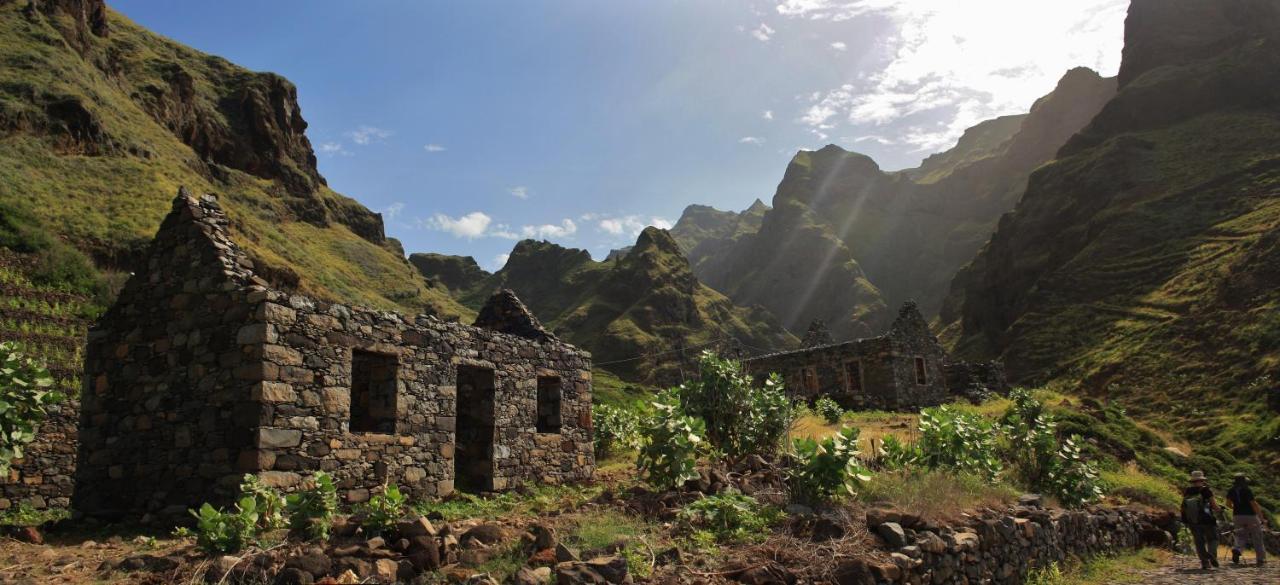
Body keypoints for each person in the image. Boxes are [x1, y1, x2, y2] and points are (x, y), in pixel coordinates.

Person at [1181, 470, 1221, 569]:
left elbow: (1183, 507)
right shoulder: (1206, 490)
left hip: (1193, 521)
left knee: (1199, 542)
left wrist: (1185, 520)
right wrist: (1219, 510)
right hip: (1207, 520)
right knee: (1213, 539)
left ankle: (1205, 563)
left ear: (1192, 481)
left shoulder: (1188, 491)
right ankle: (1211, 554)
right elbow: (1214, 505)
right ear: (1202, 480)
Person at [1227, 472, 1268, 566]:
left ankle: (1237, 549)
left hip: (1237, 516)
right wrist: (1262, 518)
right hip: (1251, 516)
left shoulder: (1231, 490)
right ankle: (1261, 560)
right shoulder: (1247, 490)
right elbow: (1254, 504)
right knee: (1257, 537)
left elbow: (1228, 504)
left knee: (1240, 535)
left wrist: (1237, 508)